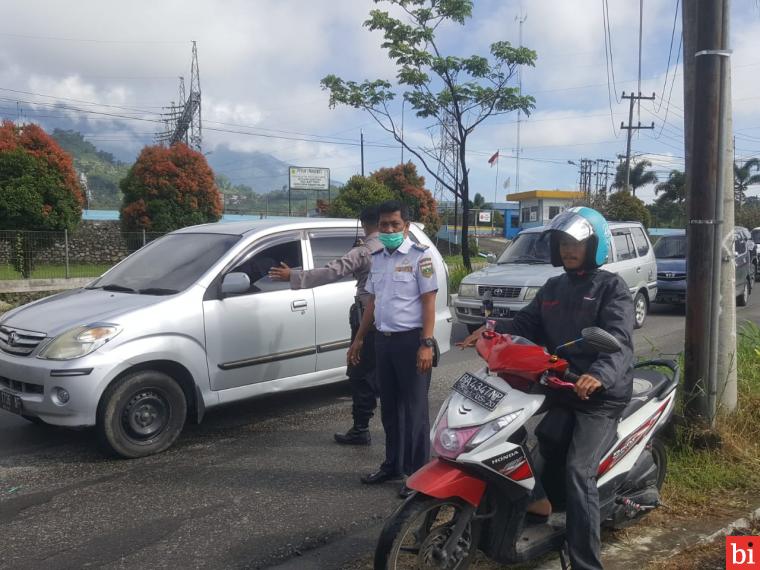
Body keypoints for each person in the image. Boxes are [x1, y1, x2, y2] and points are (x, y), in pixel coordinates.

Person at [458, 206, 634, 570]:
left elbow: (618, 340)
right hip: (559, 382)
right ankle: (536, 499)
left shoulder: (611, 288)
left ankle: (586, 563)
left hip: (598, 396)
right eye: (563, 242)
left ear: (595, 246)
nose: (569, 249)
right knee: (499, 431)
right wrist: (491, 329)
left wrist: (598, 374)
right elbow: (526, 322)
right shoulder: (553, 286)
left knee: (577, 470)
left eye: (577, 243)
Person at [269, 206, 382, 445]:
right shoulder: (395, 248)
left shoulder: (363, 252)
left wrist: (292, 275)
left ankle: (360, 429)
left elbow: (331, 272)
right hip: (392, 324)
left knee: (360, 373)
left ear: (364, 224)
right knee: (380, 373)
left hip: (366, 321)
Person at [348, 200, 438, 498]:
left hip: (411, 342)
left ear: (406, 227)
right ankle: (393, 465)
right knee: (390, 409)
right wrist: (360, 338)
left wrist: (426, 344)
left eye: (394, 225)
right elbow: (372, 303)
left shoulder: (419, 258)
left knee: (415, 412)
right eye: (384, 225)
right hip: (383, 342)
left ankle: (417, 475)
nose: (388, 230)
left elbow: (428, 303)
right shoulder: (377, 258)